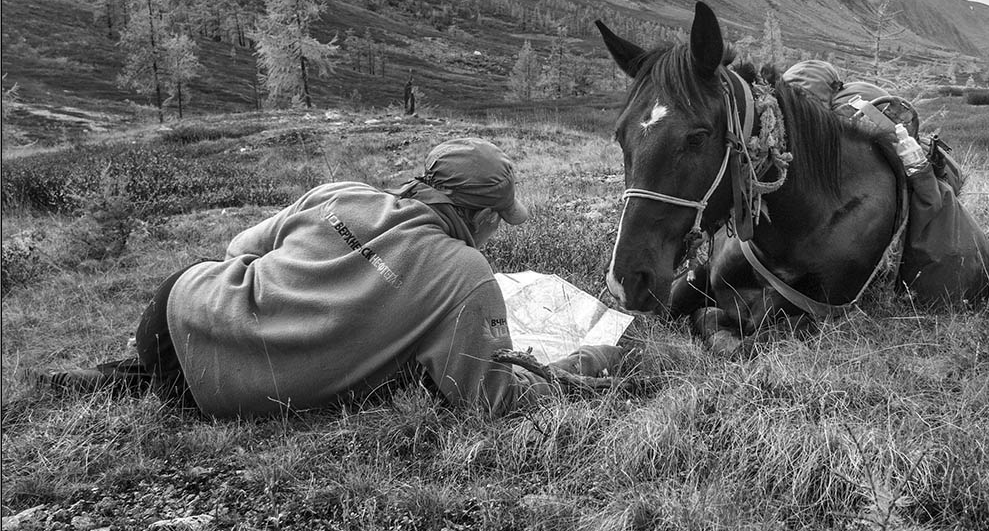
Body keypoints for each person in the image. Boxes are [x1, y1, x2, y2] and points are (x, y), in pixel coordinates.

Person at [41, 137, 625, 417]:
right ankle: (145, 381)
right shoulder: (464, 274)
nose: (498, 229)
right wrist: (587, 363)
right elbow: (489, 397)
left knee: (161, 369)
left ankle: (131, 375)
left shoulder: (341, 192)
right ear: (478, 217)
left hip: (178, 307)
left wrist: (285, 301)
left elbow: (239, 248)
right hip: (230, 393)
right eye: (498, 218)